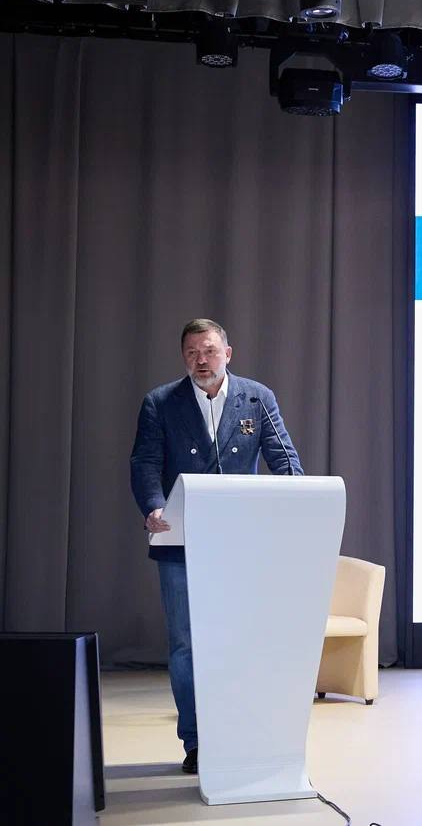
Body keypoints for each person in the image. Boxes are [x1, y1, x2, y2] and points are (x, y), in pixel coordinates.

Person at [129, 319, 303, 774]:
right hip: (181, 540)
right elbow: (145, 463)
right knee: (186, 645)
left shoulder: (257, 398)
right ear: (183, 357)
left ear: (228, 353)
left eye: (208, 350)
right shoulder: (161, 402)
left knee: (242, 641)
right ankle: (197, 742)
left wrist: (298, 494)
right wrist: (152, 506)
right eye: (191, 352)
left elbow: (283, 457)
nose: (201, 360)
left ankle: (242, 735)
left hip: (242, 544)